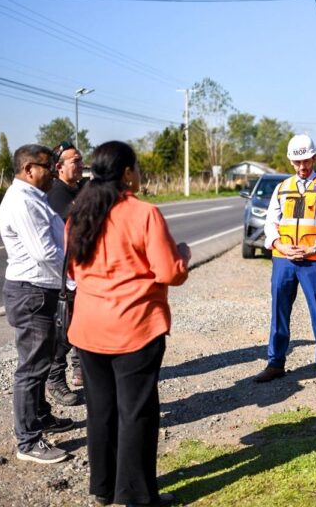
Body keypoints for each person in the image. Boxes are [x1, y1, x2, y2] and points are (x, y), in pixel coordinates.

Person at [66, 141, 190, 506]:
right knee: (136, 413)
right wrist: (183, 255)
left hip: (88, 329)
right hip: (135, 328)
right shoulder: (144, 213)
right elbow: (169, 272)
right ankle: (136, 496)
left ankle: (103, 489)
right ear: (126, 173)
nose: (138, 174)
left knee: (100, 411)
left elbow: (72, 270)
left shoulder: (79, 213)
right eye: (135, 168)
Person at [0, 144, 74, 464]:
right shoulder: (22, 202)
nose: (54, 172)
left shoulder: (34, 198)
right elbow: (46, 252)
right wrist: (73, 280)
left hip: (40, 290)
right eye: (48, 166)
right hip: (32, 291)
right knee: (31, 368)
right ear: (29, 169)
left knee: (41, 360)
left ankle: (41, 416)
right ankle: (28, 441)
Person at [253, 134, 316, 388]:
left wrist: (313, 248)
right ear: (291, 161)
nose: (302, 167)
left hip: (315, 260)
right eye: (297, 162)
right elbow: (271, 222)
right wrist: (279, 245)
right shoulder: (282, 188)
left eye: (306, 161)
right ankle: (275, 363)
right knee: (279, 311)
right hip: (283, 259)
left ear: (314, 158)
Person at [45, 140, 85, 406]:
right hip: (64, 272)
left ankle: (81, 368)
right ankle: (55, 378)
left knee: (85, 321)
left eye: (81, 160)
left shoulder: (82, 187)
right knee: (66, 327)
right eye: (75, 161)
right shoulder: (55, 193)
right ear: (59, 167)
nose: (81, 165)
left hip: (85, 269)